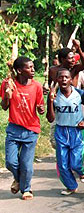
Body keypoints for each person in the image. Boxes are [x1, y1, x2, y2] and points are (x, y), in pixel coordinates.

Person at [1, 56, 44, 200]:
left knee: (26, 164)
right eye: (29, 68)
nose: (33, 70)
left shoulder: (37, 86)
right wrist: (7, 95)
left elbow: (40, 107)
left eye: (33, 67)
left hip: (31, 130)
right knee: (11, 162)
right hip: (14, 129)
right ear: (19, 70)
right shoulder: (8, 83)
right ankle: (19, 179)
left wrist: (41, 108)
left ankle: (26, 189)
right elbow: (4, 106)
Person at [46, 69, 84, 196]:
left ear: (71, 80)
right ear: (57, 80)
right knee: (63, 164)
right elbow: (50, 118)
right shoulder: (54, 96)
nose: (64, 80)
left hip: (76, 131)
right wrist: (50, 101)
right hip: (61, 131)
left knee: (76, 162)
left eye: (66, 77)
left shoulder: (79, 93)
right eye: (61, 77)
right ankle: (71, 186)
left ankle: (82, 171)